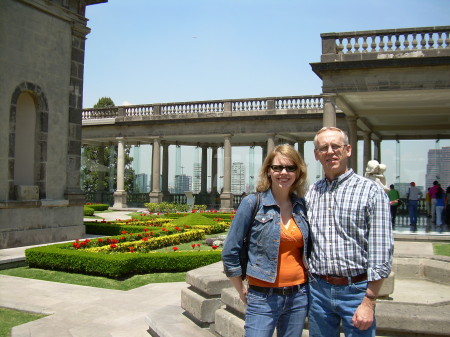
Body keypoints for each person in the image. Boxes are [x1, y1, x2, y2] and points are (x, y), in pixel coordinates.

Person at [305, 127, 393, 337]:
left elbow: (381, 250)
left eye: (336, 146)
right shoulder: (311, 193)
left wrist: (369, 300)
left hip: (357, 291)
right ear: (316, 154)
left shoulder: (371, 191)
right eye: (323, 148)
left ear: (348, 150)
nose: (330, 151)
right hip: (318, 290)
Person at [222, 144, 310, 337]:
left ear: (298, 172)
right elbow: (230, 250)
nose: (283, 172)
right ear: (268, 171)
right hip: (262, 296)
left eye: (290, 168)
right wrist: (240, 288)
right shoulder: (252, 203)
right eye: (277, 167)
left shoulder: (301, 206)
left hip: (299, 295)